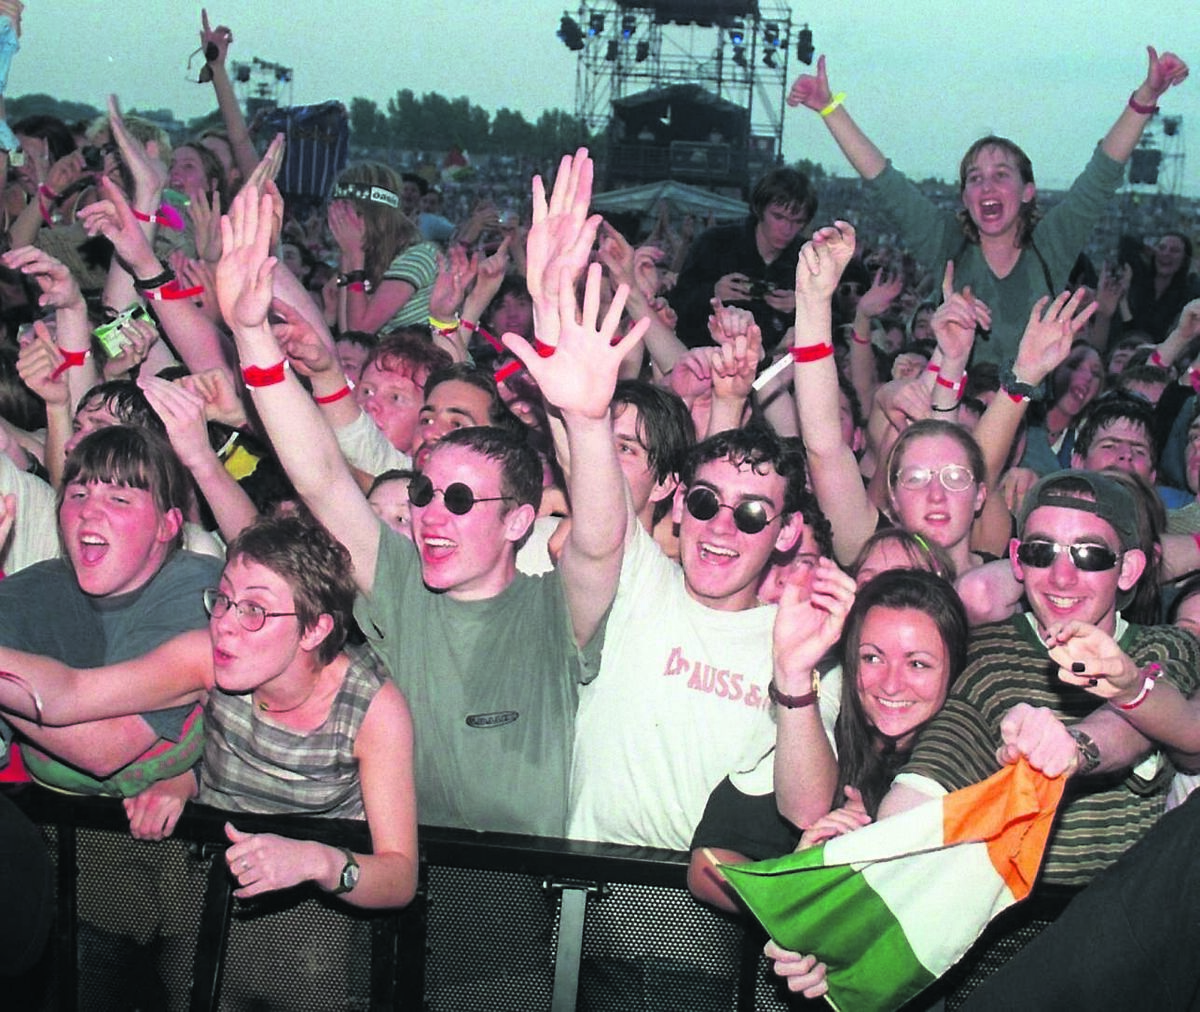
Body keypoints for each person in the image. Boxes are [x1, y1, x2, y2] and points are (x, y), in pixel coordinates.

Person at [214, 149, 646, 836]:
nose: (430, 516)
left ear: (519, 522)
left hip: (516, 899)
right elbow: (323, 479)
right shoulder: (399, 587)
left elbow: (600, 539)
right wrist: (248, 335)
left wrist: (588, 419)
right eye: (423, 493)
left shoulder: (548, 614)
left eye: (460, 501)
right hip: (402, 886)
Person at [0, 513, 418, 909]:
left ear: (314, 629)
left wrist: (318, 863)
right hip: (211, 877)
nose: (225, 624)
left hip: (320, 910)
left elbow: (400, 877)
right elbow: (70, 693)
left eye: (254, 610)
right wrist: (188, 781)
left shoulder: (372, 708)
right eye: (223, 599)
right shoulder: (210, 659)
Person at [876, 469, 1200, 887]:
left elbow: (1137, 721)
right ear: (1016, 559)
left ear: (1128, 569)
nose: (1061, 577)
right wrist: (868, 865)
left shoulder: (1167, 646)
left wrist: (1070, 749)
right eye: (1041, 551)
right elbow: (931, 778)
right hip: (1002, 916)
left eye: (1090, 555)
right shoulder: (983, 651)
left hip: (1126, 918)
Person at [788, 47, 1190, 365]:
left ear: (1028, 191)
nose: (987, 186)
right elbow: (883, 180)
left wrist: (1146, 97)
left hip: (1027, 423)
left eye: (1001, 174)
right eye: (975, 178)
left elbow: (1102, 173)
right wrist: (828, 106)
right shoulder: (947, 244)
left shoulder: (1050, 246)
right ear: (965, 198)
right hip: (954, 413)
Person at [689, 564, 964, 912]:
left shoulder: (967, 750)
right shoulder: (818, 734)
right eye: (873, 657)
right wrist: (795, 886)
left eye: (918, 664)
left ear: (954, 667)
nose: (891, 684)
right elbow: (707, 865)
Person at [0, 426, 221, 798]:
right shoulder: (30, 591)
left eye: (119, 499)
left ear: (167, 525)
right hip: (55, 826)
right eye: (78, 494)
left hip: (184, 837)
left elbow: (105, 747)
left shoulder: (196, 586)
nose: (88, 511)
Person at [669, 166, 816, 350]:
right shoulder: (714, 243)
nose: (787, 230)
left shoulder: (807, 260)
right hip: (707, 363)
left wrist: (804, 305)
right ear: (759, 209)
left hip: (777, 368)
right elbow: (676, 306)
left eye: (797, 222)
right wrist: (712, 292)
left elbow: (836, 320)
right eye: (778, 217)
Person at [327, 162, 440, 334]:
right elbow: (347, 334)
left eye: (344, 213)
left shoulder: (418, 256)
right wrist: (347, 258)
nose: (339, 222)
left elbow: (360, 331)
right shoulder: (367, 256)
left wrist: (354, 256)